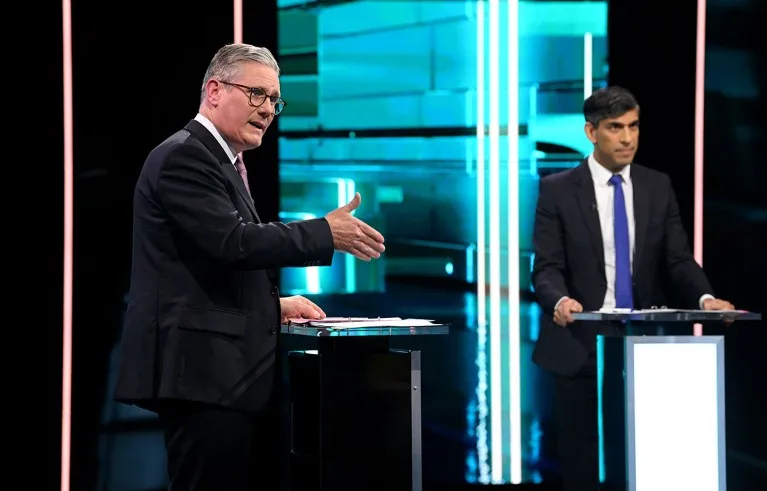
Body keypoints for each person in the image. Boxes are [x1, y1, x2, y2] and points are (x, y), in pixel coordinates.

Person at [113, 43, 386, 491]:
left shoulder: (223, 161)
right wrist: (324, 232)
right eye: (256, 94)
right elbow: (233, 243)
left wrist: (273, 305)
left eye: (274, 100)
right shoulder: (186, 156)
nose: (268, 110)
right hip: (200, 373)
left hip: (218, 375)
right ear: (214, 90)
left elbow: (203, 269)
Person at [530, 85, 734, 491]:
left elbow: (677, 259)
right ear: (591, 132)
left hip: (645, 349)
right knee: (584, 469)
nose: (627, 138)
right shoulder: (557, 189)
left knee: (647, 467)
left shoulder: (657, 186)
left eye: (634, 126)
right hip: (580, 348)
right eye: (615, 127)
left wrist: (706, 298)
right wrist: (560, 299)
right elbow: (547, 268)